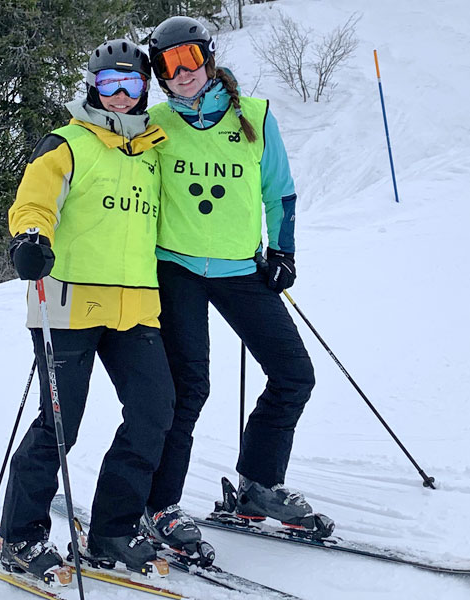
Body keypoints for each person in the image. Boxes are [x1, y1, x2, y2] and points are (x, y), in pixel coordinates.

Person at [139, 16, 332, 558]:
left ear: (208, 57)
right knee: (188, 388)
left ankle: (258, 487)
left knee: (294, 374)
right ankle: (160, 505)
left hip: (240, 270)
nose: (182, 74)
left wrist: (284, 251)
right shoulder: (153, 125)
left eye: (190, 59)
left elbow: (281, 193)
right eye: (168, 64)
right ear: (158, 72)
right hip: (174, 270)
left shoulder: (255, 116)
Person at [0, 39, 175, 584]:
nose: (119, 96)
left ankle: (112, 532)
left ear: (144, 87)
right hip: (69, 305)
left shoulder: (152, 152)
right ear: (93, 88)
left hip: (137, 309)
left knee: (154, 414)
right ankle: (21, 536)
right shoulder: (66, 144)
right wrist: (31, 236)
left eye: (129, 84)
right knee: (59, 425)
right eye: (107, 84)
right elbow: (33, 202)